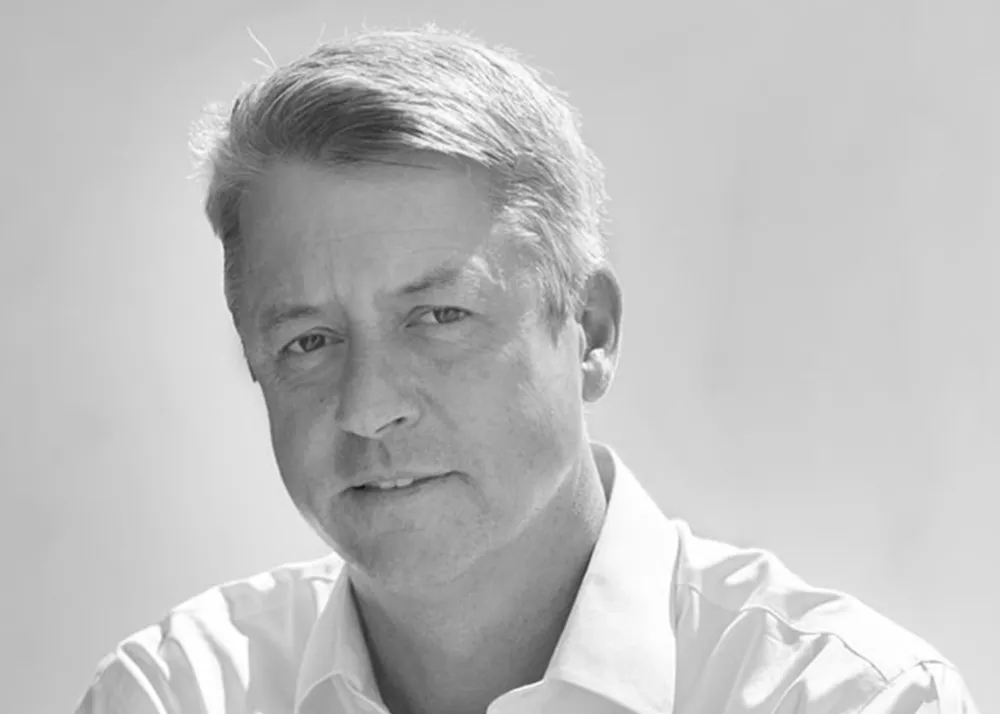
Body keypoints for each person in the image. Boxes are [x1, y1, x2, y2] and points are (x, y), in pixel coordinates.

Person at [76, 25, 980, 714]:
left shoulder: (844, 698)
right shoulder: (176, 694)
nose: (369, 406)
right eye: (309, 340)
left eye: (439, 317)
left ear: (589, 332)